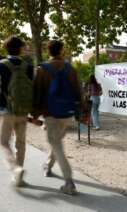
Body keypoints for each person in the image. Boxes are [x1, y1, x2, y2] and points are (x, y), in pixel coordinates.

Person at [32, 40, 84, 195]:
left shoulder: (41, 69)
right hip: (66, 113)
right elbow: (78, 91)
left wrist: (34, 114)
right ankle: (48, 166)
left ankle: (69, 182)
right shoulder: (70, 69)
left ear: (49, 51)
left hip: (50, 114)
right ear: (61, 50)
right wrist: (80, 110)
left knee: (57, 146)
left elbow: (37, 93)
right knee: (56, 142)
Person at [0, 36, 34, 186]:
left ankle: (15, 169)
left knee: (3, 142)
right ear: (20, 49)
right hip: (23, 111)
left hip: (6, 111)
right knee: (21, 143)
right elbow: (32, 89)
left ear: (6, 49)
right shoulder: (28, 66)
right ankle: (19, 175)